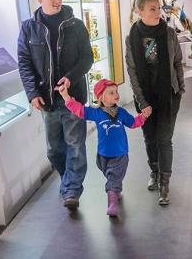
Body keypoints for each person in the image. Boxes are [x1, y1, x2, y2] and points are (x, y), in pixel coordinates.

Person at [17, 0, 93, 211]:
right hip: (47, 101)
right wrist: (32, 93)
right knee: (54, 150)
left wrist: (70, 77)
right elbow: (24, 62)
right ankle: (67, 180)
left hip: (73, 99)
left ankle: (72, 190)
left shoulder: (76, 25)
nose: (58, 0)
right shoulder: (29, 28)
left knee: (76, 145)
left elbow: (87, 58)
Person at [125, 0, 185, 205]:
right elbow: (132, 71)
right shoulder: (132, 37)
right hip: (145, 97)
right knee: (150, 138)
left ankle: (164, 182)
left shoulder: (169, 34)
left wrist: (180, 88)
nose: (157, 12)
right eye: (151, 8)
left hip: (168, 96)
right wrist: (142, 102)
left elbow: (178, 61)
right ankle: (154, 170)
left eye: (158, 7)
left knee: (164, 139)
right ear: (139, 11)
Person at [56, 79, 147, 217]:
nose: (116, 94)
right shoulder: (96, 113)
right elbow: (79, 110)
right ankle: (115, 189)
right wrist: (66, 96)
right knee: (111, 175)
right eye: (111, 93)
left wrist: (143, 116)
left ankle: (112, 203)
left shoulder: (121, 112)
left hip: (120, 154)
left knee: (114, 177)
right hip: (102, 156)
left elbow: (133, 123)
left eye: (116, 91)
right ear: (101, 97)